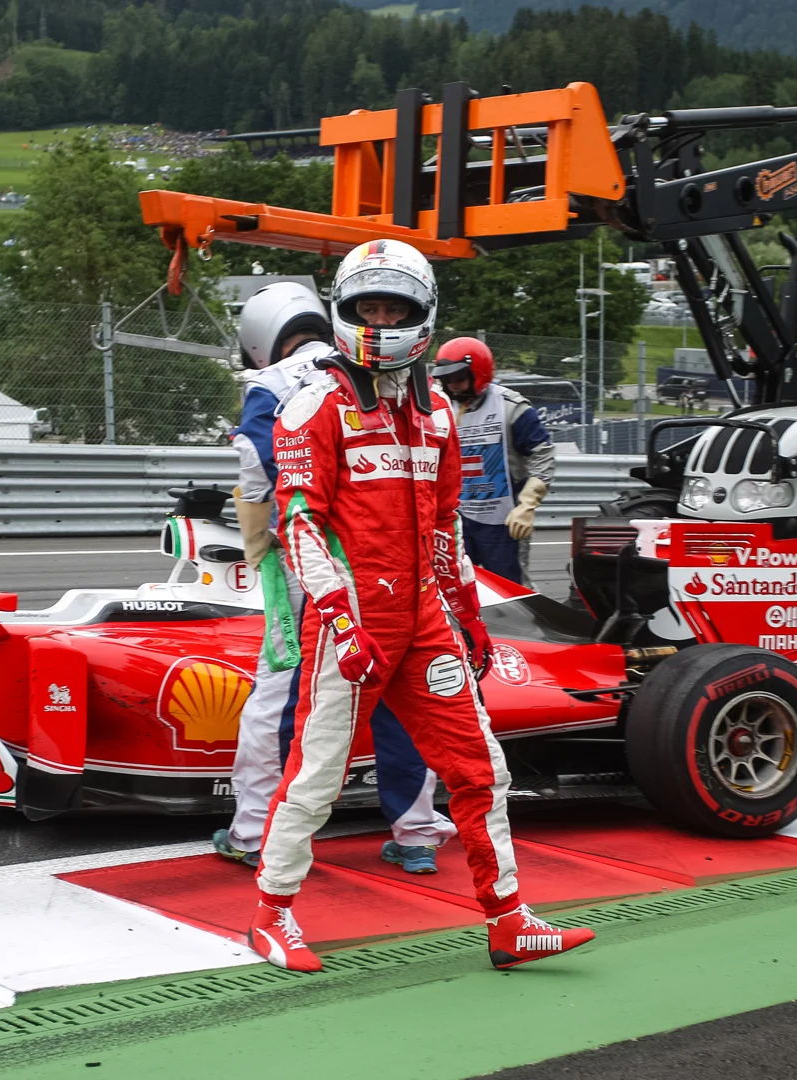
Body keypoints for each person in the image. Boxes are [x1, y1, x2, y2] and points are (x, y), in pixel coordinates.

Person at [248, 240, 594, 973]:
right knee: (318, 773)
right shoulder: (314, 406)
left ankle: (507, 918)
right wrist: (341, 621)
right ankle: (273, 914)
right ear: (343, 312)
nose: (380, 320)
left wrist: (469, 617)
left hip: (425, 623)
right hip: (350, 628)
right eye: (368, 307)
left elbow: (446, 528)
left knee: (480, 768)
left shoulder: (436, 410)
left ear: (422, 315)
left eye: (394, 308)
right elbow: (301, 524)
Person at [217, 282, 457, 875]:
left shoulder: (269, 387)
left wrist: (262, 548)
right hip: (398, 565)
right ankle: (418, 832)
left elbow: (261, 481)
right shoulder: (387, 371)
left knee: (280, 698)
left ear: (259, 338)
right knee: (402, 697)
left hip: (310, 562)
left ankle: (253, 831)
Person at [432, 337, 555, 585]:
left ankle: (517, 625)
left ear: (478, 373)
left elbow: (542, 455)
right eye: (447, 380)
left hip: (502, 521)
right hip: (457, 519)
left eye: (459, 379)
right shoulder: (439, 408)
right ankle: (467, 626)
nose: (453, 386)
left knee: (510, 588)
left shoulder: (511, 407)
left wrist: (528, 504)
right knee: (458, 585)